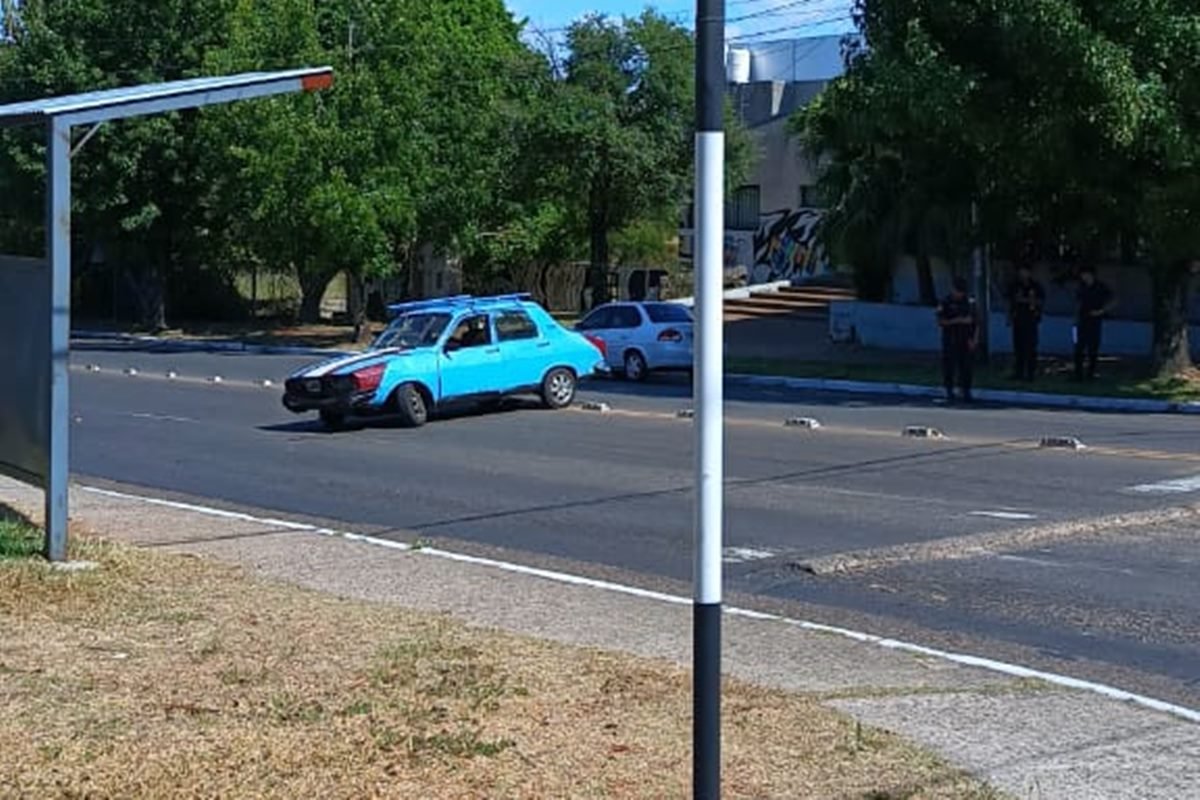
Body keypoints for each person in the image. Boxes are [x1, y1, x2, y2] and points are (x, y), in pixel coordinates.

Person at [937, 276, 978, 403]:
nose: (959, 294)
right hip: (950, 338)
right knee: (949, 365)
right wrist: (957, 320)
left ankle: (966, 390)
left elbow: (976, 323)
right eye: (957, 291)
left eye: (962, 291)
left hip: (965, 339)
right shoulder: (946, 302)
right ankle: (949, 390)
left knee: (966, 366)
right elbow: (941, 321)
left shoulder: (970, 302)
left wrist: (974, 339)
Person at [1073, 265, 1115, 381]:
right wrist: (1075, 319)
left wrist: (1101, 311)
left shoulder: (1100, 287)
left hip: (1094, 321)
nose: (1083, 277)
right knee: (1078, 348)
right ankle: (1078, 375)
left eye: (1085, 274)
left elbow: (1114, 300)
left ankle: (1090, 375)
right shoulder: (1081, 287)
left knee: (1093, 349)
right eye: (1082, 275)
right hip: (1081, 321)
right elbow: (1077, 303)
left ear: (1091, 274)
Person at [1006, 262, 1045, 381]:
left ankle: (1030, 373)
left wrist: (1026, 300)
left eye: (1025, 271)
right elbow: (1010, 301)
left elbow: (1041, 301)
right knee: (1018, 347)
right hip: (1018, 318)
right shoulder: (1015, 285)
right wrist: (1009, 317)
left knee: (1031, 347)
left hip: (1031, 319)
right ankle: (1018, 372)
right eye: (1021, 271)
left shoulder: (1035, 286)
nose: (1023, 274)